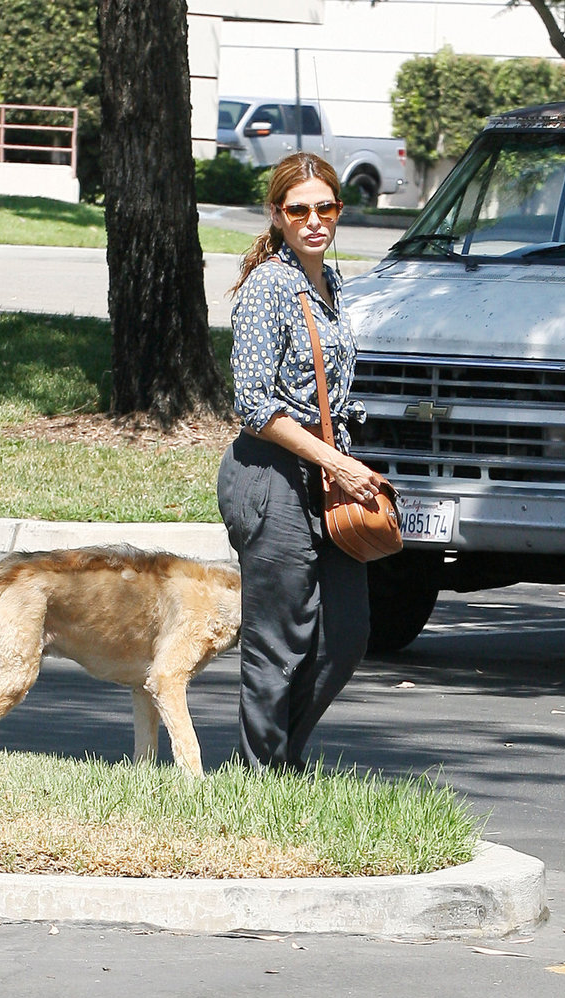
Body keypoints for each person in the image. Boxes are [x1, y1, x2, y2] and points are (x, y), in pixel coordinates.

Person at [217, 151, 382, 771]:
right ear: (278, 216)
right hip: (270, 475)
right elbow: (254, 405)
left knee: (346, 634)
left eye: (326, 208)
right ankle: (264, 779)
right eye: (299, 210)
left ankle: (281, 757)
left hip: (325, 472)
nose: (314, 221)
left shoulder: (330, 282)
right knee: (278, 641)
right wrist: (333, 462)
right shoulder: (269, 287)